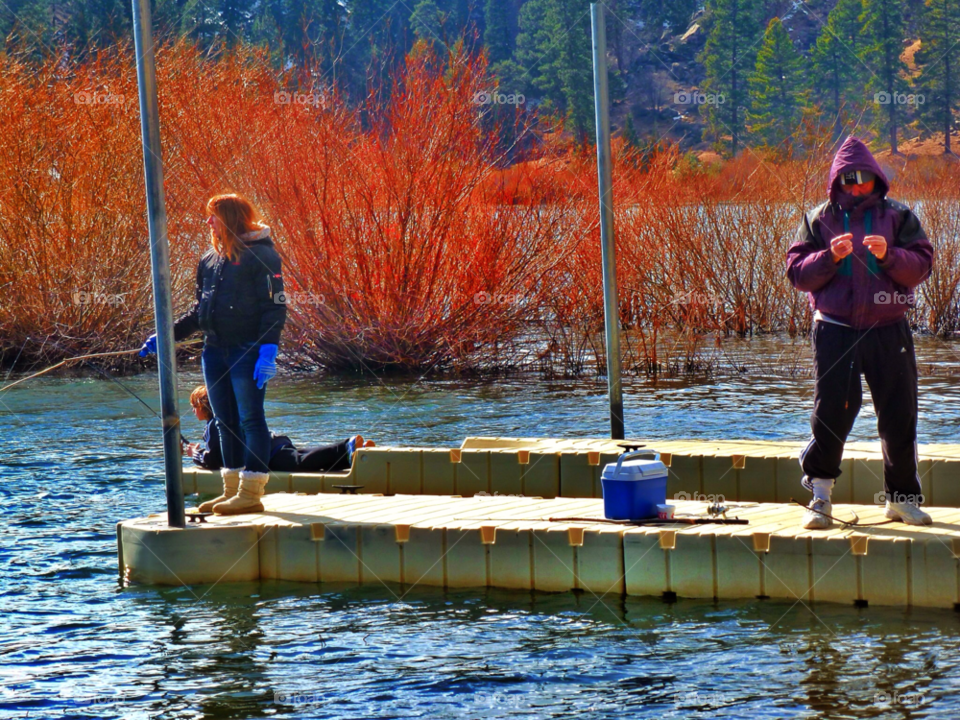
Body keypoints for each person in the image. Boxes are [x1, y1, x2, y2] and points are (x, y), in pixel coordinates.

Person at [787, 136, 934, 529]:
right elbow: (798, 274)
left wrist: (889, 255)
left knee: (899, 414)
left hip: (889, 330)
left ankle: (902, 500)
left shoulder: (900, 216)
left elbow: (921, 266)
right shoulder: (818, 218)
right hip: (834, 330)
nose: (855, 187)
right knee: (833, 412)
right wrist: (829, 257)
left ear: (876, 178)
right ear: (836, 180)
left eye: (862, 179)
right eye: (847, 180)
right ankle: (820, 498)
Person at [140, 193, 286, 515]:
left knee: (250, 418)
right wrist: (165, 336)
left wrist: (268, 349)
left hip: (248, 350)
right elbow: (198, 312)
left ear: (231, 218)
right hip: (214, 350)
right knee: (224, 422)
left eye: (213, 216)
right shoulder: (209, 259)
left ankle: (251, 493)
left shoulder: (263, 256)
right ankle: (231, 489)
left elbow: (275, 307)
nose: (208, 222)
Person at [183, 385, 374, 475]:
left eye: (194, 406)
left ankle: (345, 447)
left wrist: (195, 454)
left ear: (203, 406)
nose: (193, 410)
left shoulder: (215, 425)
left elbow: (214, 460)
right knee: (303, 456)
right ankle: (356, 452)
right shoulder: (231, 417)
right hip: (274, 443)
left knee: (301, 462)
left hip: (269, 454)